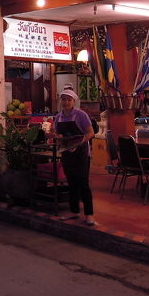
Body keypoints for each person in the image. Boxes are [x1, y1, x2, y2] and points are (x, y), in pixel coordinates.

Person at [54, 88, 96, 226]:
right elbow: (58, 134)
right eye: (63, 99)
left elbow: (91, 133)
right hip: (67, 153)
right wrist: (59, 138)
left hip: (82, 153)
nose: (66, 102)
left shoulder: (81, 115)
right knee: (71, 183)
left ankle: (89, 215)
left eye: (69, 100)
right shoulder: (58, 117)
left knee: (83, 183)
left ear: (73, 101)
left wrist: (78, 142)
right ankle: (74, 211)